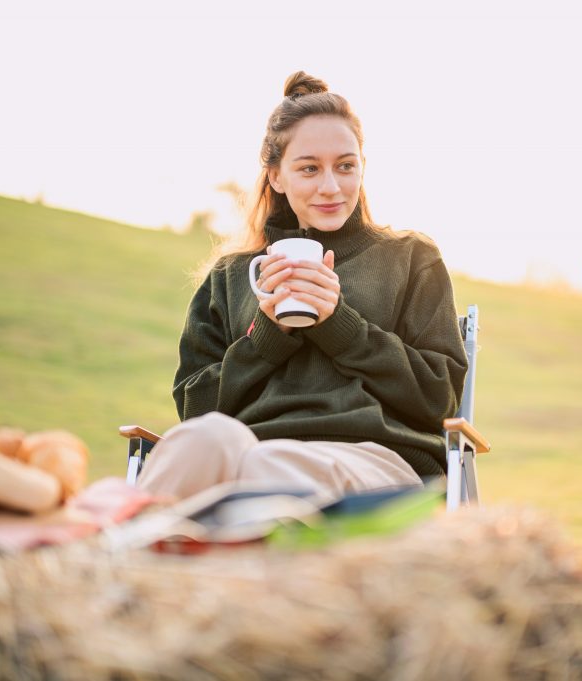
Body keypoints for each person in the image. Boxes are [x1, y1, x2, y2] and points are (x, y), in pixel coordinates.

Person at [137, 71, 467, 501]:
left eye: (345, 166)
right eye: (309, 168)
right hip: (252, 447)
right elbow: (195, 410)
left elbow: (438, 398)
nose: (331, 187)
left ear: (362, 167)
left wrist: (340, 324)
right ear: (276, 176)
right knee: (202, 443)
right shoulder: (232, 276)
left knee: (256, 467)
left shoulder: (410, 258)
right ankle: (118, 555)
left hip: (376, 456)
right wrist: (267, 334)